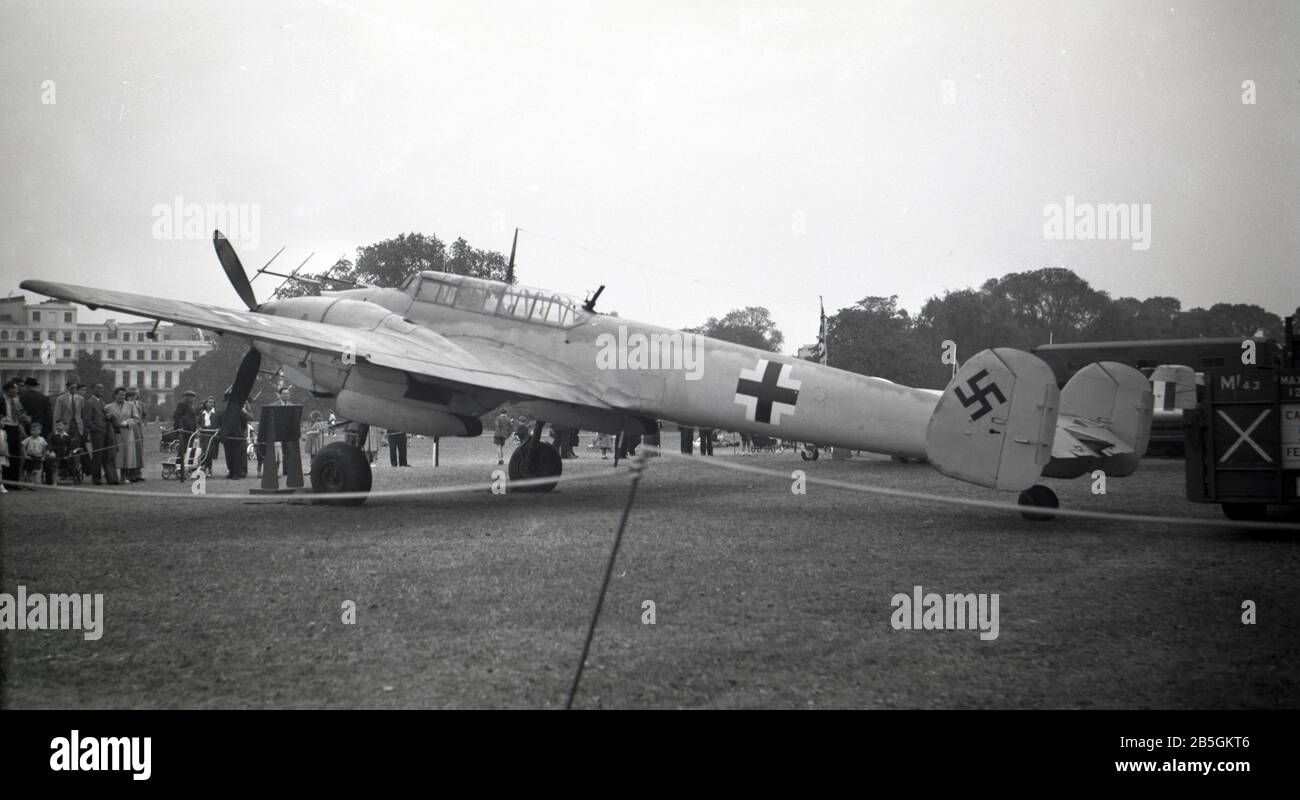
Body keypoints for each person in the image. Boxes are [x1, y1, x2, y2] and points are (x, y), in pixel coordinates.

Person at [81, 383, 121, 485]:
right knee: (97, 456)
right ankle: (96, 478)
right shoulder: (89, 403)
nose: (101, 390)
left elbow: (105, 416)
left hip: (107, 433)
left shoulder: (102, 403)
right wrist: (95, 429)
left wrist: (109, 416)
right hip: (97, 434)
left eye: (102, 388)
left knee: (108, 455)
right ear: (93, 389)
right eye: (98, 388)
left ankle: (111, 478)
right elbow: (86, 420)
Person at [2, 380, 27, 488]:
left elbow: (20, 413)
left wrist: (23, 417)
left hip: (15, 427)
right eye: (15, 388)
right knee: (6, 454)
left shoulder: (16, 401)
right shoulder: (1, 400)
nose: (17, 390)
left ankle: (15, 481)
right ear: (8, 390)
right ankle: (6, 481)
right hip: (4, 428)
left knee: (16, 454)